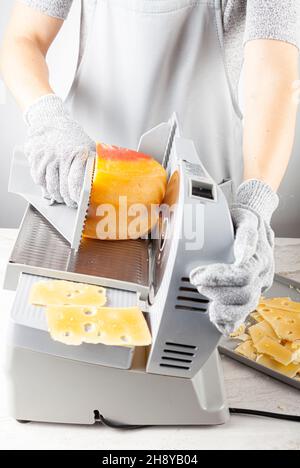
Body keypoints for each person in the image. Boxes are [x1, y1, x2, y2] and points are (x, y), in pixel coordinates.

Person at [0, 0, 299, 334]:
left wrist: (255, 202)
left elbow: (274, 78)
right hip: (83, 196)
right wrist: (49, 120)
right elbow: (24, 39)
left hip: (197, 219)